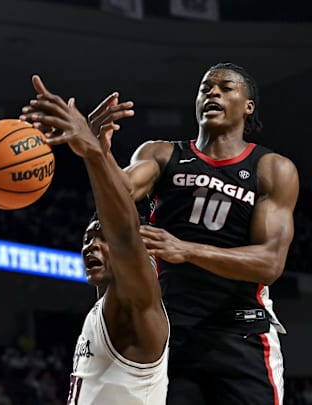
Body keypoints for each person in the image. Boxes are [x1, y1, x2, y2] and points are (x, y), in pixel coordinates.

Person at [118, 63, 298, 404]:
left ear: (249, 106)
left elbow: (270, 263)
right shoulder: (161, 154)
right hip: (171, 335)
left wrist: (186, 249)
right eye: (205, 88)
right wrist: (95, 153)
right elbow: (114, 199)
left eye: (225, 87)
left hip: (242, 335)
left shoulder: (272, 168)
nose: (212, 92)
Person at [20, 75, 169, 405]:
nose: (91, 245)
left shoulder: (142, 307)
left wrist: (92, 152)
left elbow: (125, 235)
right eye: (88, 238)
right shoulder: (99, 313)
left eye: (102, 238)